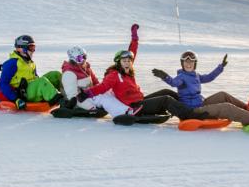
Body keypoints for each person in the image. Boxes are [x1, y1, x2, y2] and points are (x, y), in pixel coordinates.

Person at [79, 24, 207, 121]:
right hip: (135, 106)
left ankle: (190, 107)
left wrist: (134, 36)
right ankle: (190, 116)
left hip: (141, 100)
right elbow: (102, 87)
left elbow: (133, 49)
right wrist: (86, 94)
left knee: (167, 92)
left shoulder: (127, 70)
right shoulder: (114, 75)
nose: (128, 62)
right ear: (119, 62)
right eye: (124, 60)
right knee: (166, 100)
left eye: (129, 60)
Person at [152, 50, 249, 126]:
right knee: (226, 108)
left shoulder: (195, 75)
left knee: (223, 95)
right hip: (194, 111)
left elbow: (209, 77)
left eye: (191, 62)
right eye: (186, 62)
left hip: (201, 104)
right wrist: (164, 76)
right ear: (182, 64)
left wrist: (220, 67)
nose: (188, 64)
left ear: (195, 64)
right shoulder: (181, 77)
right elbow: (173, 83)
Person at [60, 45, 135, 116]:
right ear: (73, 59)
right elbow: (73, 97)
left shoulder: (85, 68)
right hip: (82, 99)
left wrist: (100, 91)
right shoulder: (69, 73)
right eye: (80, 58)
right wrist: (91, 108)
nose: (83, 60)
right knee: (104, 98)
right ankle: (124, 112)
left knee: (110, 92)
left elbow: (96, 82)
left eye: (84, 57)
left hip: (89, 94)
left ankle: (129, 106)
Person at [0, 35, 63, 109]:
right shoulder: (12, 63)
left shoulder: (30, 62)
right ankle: (62, 102)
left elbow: (36, 78)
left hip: (32, 88)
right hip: (22, 94)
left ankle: (69, 94)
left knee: (55, 75)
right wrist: (16, 99)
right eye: (30, 47)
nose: (33, 50)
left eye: (34, 47)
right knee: (42, 82)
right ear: (21, 48)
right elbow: (3, 84)